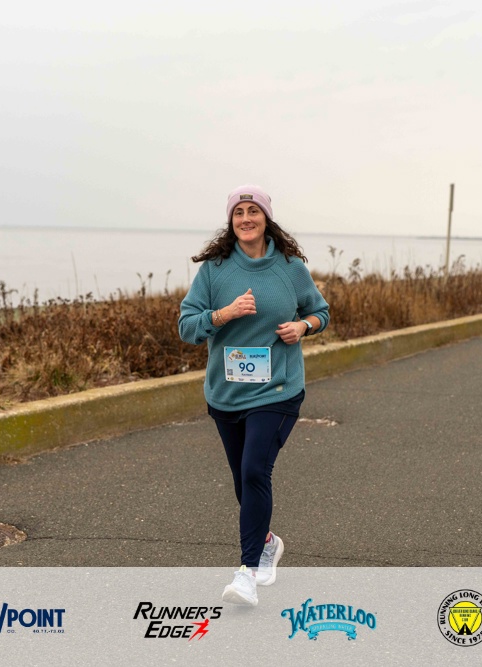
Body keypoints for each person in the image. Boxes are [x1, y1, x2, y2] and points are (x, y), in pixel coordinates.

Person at [178, 185, 329, 606]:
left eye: (253, 211)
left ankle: (246, 572)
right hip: (226, 394)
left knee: (253, 471)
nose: (246, 218)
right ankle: (266, 541)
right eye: (239, 212)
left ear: (266, 218)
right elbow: (187, 327)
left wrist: (302, 327)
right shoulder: (215, 271)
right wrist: (223, 314)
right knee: (244, 481)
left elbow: (320, 312)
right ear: (231, 222)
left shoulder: (290, 268)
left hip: (278, 389)